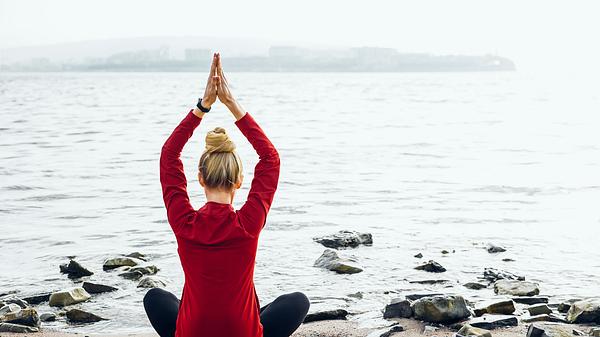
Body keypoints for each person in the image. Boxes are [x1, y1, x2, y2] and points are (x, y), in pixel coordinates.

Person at [143, 53, 310, 337]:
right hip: (243, 332)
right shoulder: (249, 222)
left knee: (155, 297)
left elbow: (169, 155)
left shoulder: (184, 222)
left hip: (192, 332)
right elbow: (270, 159)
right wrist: (232, 104)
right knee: (297, 302)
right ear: (239, 182)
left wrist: (202, 106)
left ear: (199, 179)